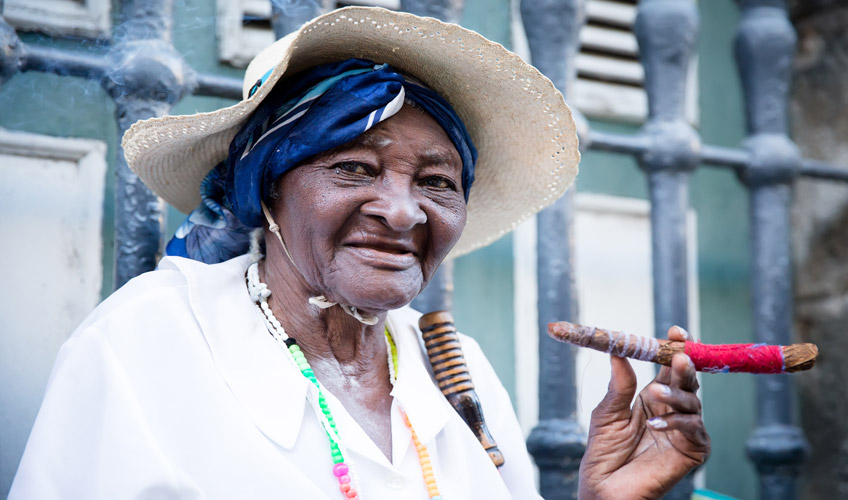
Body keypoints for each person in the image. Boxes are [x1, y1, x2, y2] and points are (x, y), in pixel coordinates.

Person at [10, 6, 709, 499]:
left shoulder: (452, 368)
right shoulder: (147, 344)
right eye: (354, 169)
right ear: (270, 188)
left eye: (437, 182)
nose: (403, 211)